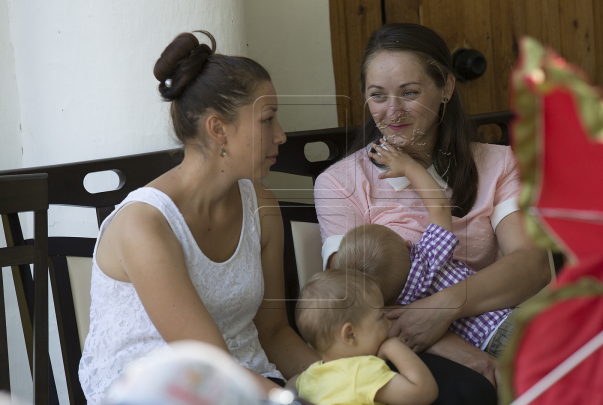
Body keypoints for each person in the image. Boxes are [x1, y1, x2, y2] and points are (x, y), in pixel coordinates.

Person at [78, 31, 319, 404]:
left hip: (244, 379)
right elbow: (208, 369)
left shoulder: (262, 207)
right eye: (268, 120)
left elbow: (273, 333)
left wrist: (339, 381)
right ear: (218, 128)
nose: (282, 135)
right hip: (160, 390)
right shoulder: (145, 225)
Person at [314, 23, 550, 386]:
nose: (392, 112)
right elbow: (350, 304)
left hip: (489, 323)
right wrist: (467, 355)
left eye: (409, 92)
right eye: (377, 95)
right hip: (403, 350)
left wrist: (442, 307)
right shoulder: (339, 183)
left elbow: (532, 264)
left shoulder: (499, 163)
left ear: (446, 88)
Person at [331, 139, 513, 356]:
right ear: (409, 246)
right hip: (503, 322)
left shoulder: (399, 309)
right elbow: (438, 205)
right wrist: (409, 167)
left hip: (483, 346)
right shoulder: (429, 258)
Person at [291, 269, 438, 405]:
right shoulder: (362, 371)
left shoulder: (307, 378)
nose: (388, 324)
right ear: (350, 335)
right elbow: (425, 393)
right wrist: (394, 348)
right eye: (381, 317)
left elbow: (291, 384)